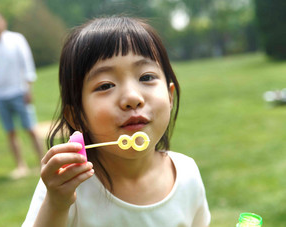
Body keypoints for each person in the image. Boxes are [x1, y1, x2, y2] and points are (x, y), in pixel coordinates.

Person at [22, 16, 211, 226]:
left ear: (170, 97)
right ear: (76, 116)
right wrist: (57, 203)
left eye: (146, 77)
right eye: (105, 85)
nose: (132, 97)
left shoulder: (187, 173)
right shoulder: (67, 184)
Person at [0, 11, 44, 179]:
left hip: (19, 92)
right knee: (10, 132)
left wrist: (28, 88)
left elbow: (27, 64)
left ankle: (42, 162)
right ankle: (20, 165)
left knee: (30, 128)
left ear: (3, 21)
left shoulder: (17, 39)